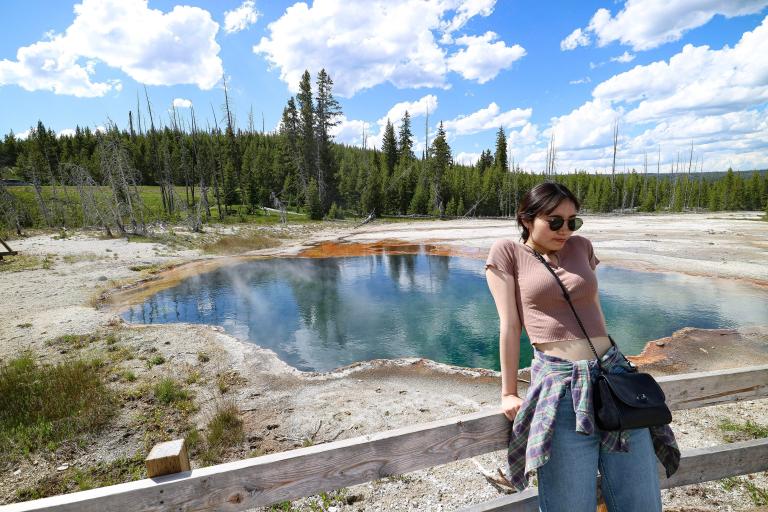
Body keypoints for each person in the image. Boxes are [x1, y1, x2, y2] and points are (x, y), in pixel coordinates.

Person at [484, 182, 679, 512]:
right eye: (554, 221)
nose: (565, 230)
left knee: (641, 500)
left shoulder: (582, 247)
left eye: (572, 221)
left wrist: (615, 362)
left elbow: (593, 306)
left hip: (612, 378)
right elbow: (510, 325)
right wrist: (508, 392)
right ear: (527, 219)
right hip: (560, 387)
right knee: (569, 503)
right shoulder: (508, 252)